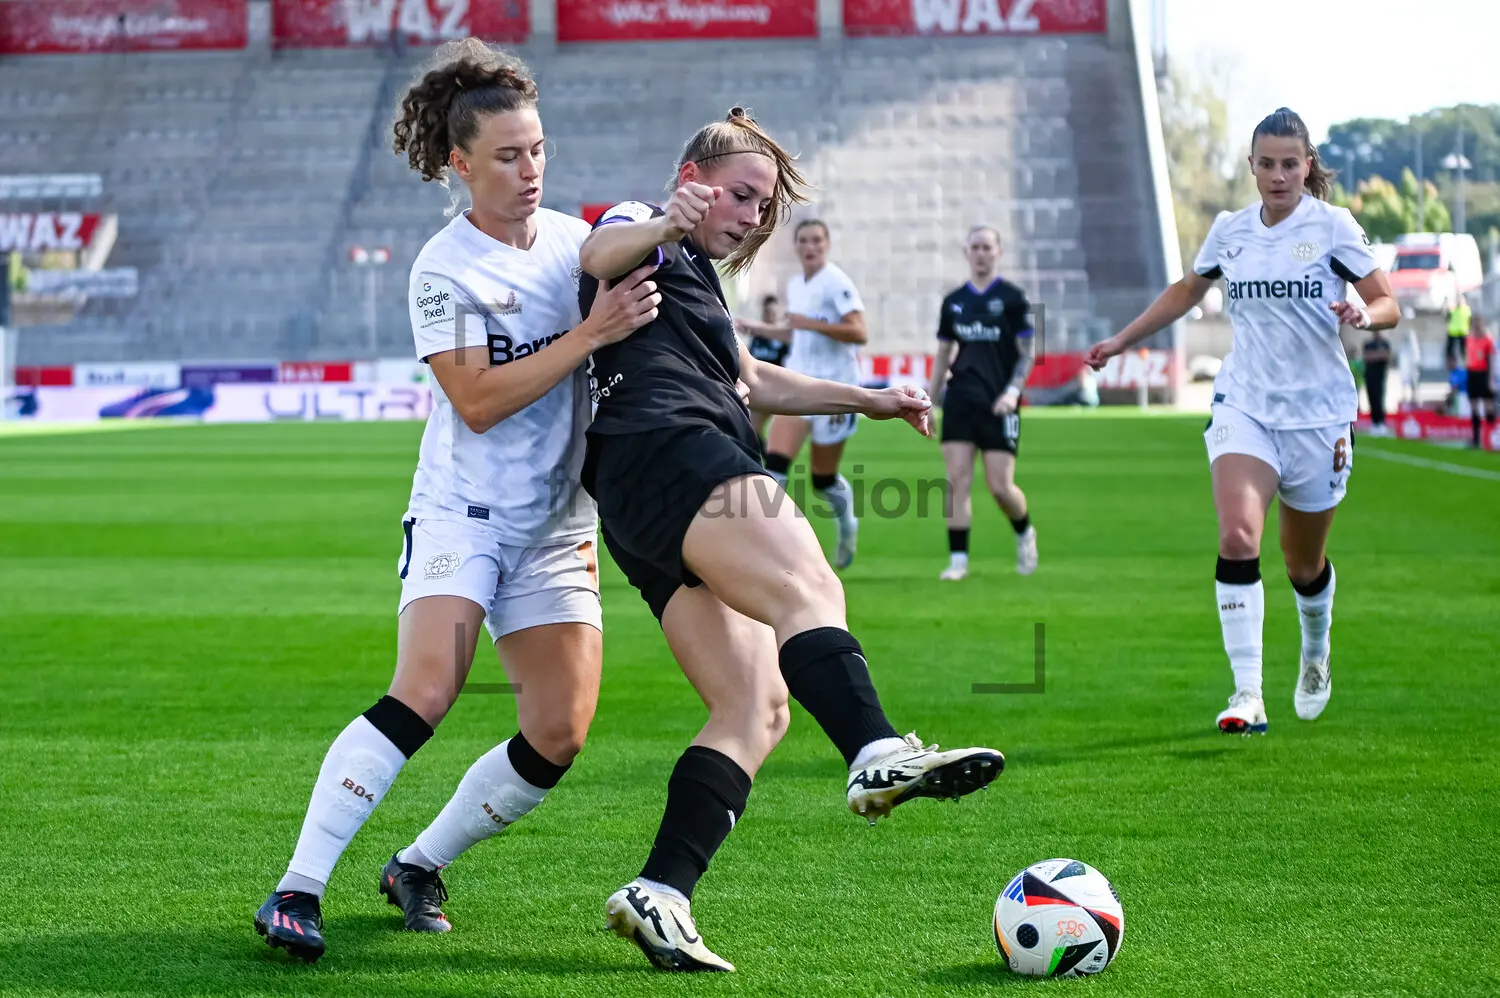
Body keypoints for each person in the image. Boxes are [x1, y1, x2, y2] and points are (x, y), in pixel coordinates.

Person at [252, 39, 667, 962]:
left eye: (540, 150)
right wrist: (591, 332)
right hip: (463, 515)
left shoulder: (572, 242)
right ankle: (297, 888)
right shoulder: (443, 268)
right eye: (509, 155)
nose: (530, 170)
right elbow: (476, 401)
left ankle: (418, 865)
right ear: (460, 163)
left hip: (558, 527)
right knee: (428, 689)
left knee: (558, 730)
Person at [577, 107, 1004, 972]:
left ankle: (662, 889)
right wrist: (667, 220)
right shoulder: (643, 225)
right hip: (672, 447)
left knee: (755, 705)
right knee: (807, 585)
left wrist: (871, 398)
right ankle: (875, 749)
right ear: (694, 177)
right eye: (742, 196)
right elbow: (597, 254)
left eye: (763, 207)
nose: (752, 217)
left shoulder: (697, 279)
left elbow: (755, 379)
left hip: (639, 495)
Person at [1085, 107, 1399, 736]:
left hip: (1318, 416)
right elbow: (1186, 291)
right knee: (1237, 538)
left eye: (1291, 163)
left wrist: (1366, 317)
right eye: (1267, 163)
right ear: (1251, 166)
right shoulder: (1229, 231)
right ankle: (1247, 693)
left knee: (1302, 565)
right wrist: (1123, 340)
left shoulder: (1332, 226)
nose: (1278, 175)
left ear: (1308, 165)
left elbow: (1386, 300)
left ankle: (1315, 653)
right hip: (1246, 404)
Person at [752, 220, 868, 569]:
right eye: (803, 241)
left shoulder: (836, 283)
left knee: (822, 479)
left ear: (827, 244)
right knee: (775, 469)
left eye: (816, 240)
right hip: (800, 385)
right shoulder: (796, 284)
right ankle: (769, 549)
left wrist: (811, 324)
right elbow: (797, 336)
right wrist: (757, 328)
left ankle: (848, 522)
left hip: (835, 390)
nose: (810, 246)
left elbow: (859, 332)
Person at [926, 225, 1039, 581]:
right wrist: (929, 400)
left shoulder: (1013, 299)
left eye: (987, 247)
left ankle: (1024, 531)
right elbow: (944, 353)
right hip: (960, 399)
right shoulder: (954, 302)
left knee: (1000, 487)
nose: (981, 253)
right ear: (966, 252)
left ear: (998, 252)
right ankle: (958, 560)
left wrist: (1013, 391)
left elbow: (1028, 354)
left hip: (999, 403)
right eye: (975, 247)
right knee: (956, 480)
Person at [737, 291, 791, 450]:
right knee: (753, 429)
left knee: (755, 428)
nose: (770, 315)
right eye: (767, 312)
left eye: (773, 312)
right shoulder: (758, 338)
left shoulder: (784, 339)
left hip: (780, 388)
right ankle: (768, 458)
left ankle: (768, 459)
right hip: (761, 387)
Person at [1465, 315, 1496, 448]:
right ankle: (1476, 439)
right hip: (1472, 374)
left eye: (1479, 323)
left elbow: (1492, 360)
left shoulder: (1487, 340)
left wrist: (1491, 379)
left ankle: (1492, 436)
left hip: (1484, 374)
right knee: (1474, 407)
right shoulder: (1469, 339)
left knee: (1488, 406)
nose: (1477, 327)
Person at [1361, 328, 1391, 435]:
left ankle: (1381, 422)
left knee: (1379, 398)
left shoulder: (1384, 343)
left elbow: (1385, 356)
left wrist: (1375, 356)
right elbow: (1366, 356)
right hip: (1369, 375)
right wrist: (1377, 355)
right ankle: (1374, 422)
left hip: (1380, 376)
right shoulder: (1368, 344)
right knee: (1371, 398)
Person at [1396, 328, 1422, 409]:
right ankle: (1405, 396)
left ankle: (1414, 396)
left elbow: (1416, 359)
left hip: (1413, 370)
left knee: (1413, 381)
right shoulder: (1403, 349)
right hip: (1406, 370)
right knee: (1405, 381)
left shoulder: (1414, 348)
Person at [1447, 295, 1472, 369]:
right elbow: (1447, 318)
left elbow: (1470, 320)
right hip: (1453, 332)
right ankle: (1452, 365)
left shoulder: (1466, 309)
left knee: (1463, 351)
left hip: (1463, 332)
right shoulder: (1452, 309)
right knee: (1450, 351)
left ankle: (1465, 365)